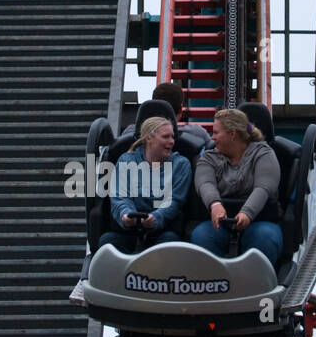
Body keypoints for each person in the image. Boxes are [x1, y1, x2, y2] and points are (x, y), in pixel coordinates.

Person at [191, 108, 282, 264]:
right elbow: (205, 183)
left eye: (216, 133)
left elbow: (264, 187)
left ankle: (255, 281)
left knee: (264, 238)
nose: (212, 138)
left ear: (232, 134)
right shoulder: (208, 157)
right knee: (201, 236)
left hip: (258, 220)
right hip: (220, 221)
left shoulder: (263, 153)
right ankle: (209, 282)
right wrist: (215, 204)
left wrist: (247, 213)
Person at [97, 116, 191, 253]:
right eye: (166, 137)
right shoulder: (126, 160)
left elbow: (175, 200)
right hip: (129, 230)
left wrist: (157, 217)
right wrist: (126, 214)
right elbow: (119, 195)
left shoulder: (181, 164)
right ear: (148, 138)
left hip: (163, 230)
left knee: (170, 242)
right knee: (107, 242)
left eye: (172, 137)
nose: (171, 141)